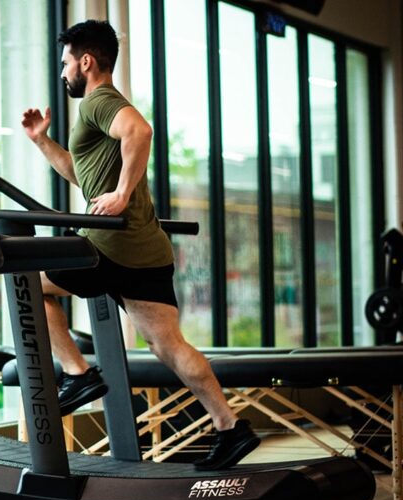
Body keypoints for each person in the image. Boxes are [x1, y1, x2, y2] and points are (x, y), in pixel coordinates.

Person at [20, 19, 258, 471]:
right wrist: (42, 141)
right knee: (168, 345)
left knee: (27, 281)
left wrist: (123, 194)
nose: (64, 72)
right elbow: (82, 175)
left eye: (67, 63)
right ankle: (230, 427)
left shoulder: (100, 102)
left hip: (108, 245)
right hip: (146, 249)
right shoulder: (98, 110)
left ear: (85, 61)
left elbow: (141, 132)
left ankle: (78, 374)